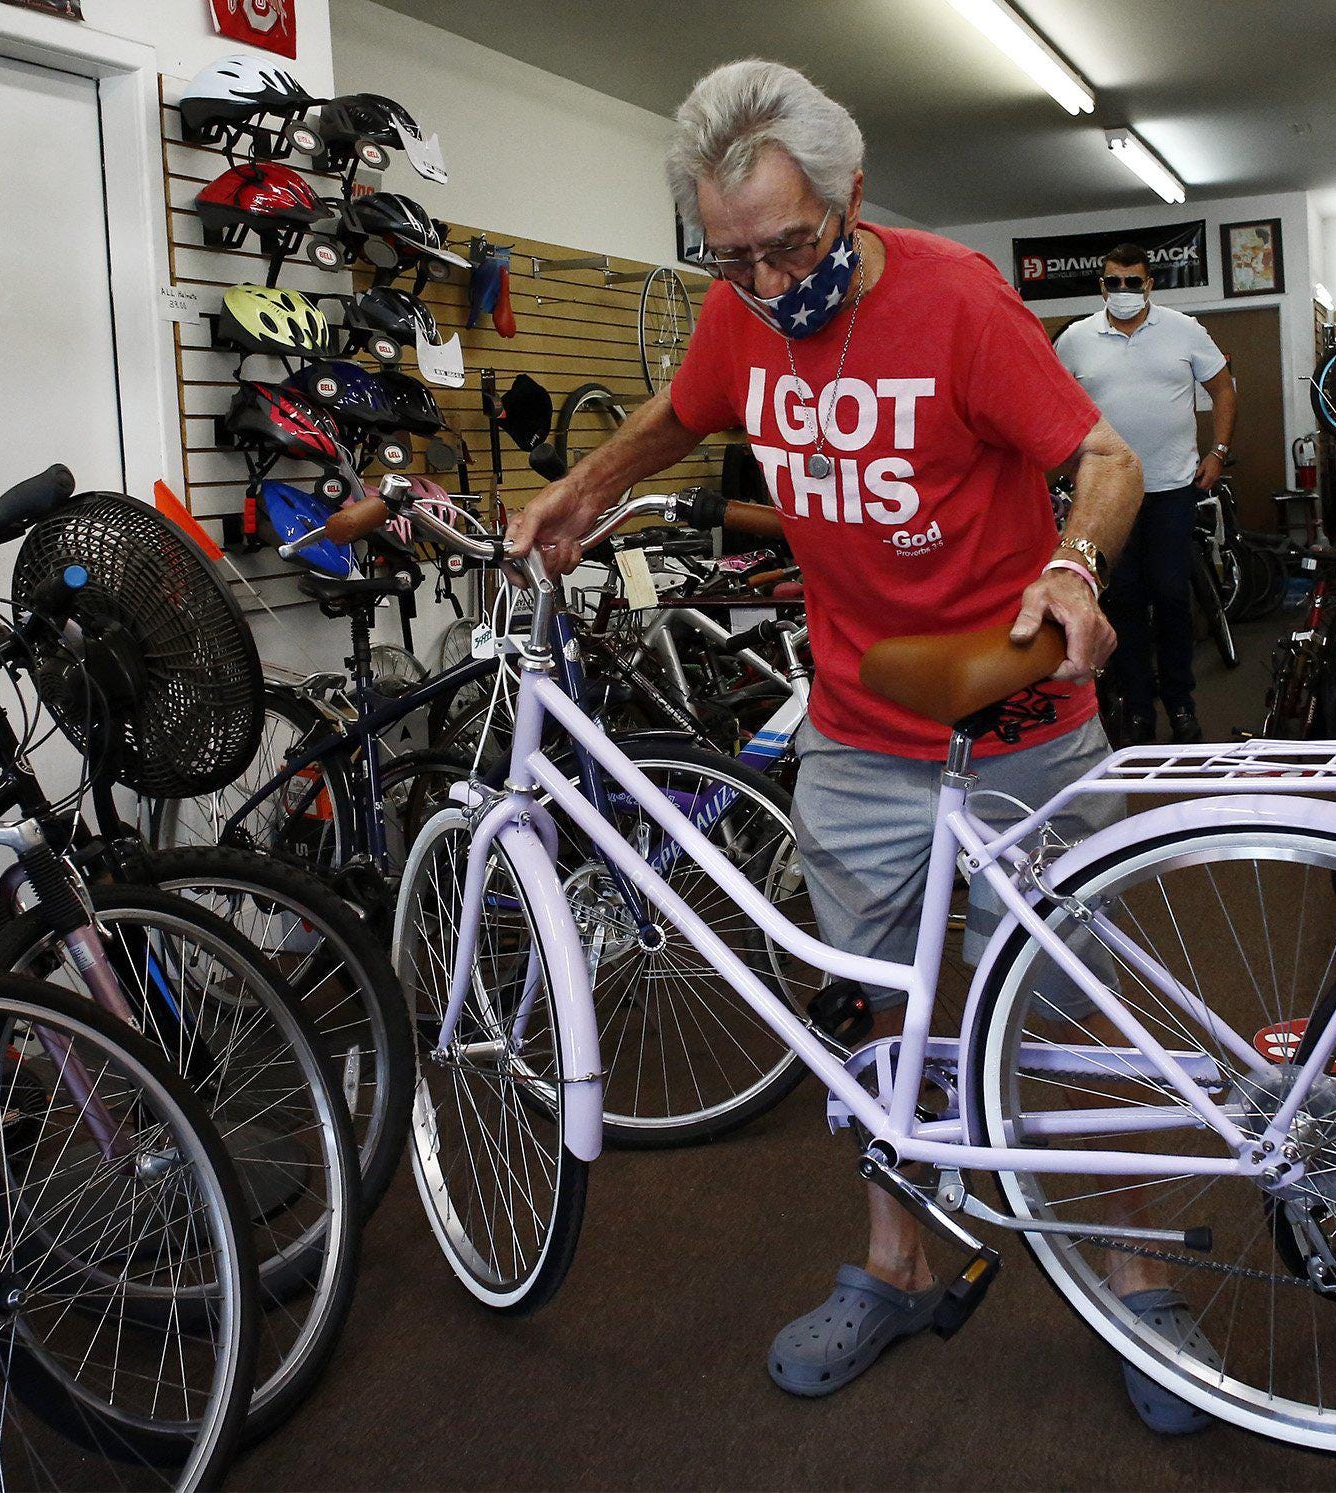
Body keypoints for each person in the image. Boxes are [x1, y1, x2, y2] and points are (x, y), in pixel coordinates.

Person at [507, 61, 1215, 1433]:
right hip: (858, 733)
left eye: (792, 246)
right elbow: (688, 409)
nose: (769, 284)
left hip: (1019, 725)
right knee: (887, 1023)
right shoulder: (739, 315)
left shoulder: (958, 301)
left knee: (1071, 1021)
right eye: (736, 259)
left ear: (852, 192)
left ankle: (1138, 1277)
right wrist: (583, 487)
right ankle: (897, 1262)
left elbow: (1107, 462)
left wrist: (1072, 568)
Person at [1054, 246, 1237, 746]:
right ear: (1102, 287)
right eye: (1115, 282)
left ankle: (1180, 702)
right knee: (1125, 601)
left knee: (1172, 596)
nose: (1125, 292)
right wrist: (1069, 460)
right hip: (1108, 495)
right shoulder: (1076, 340)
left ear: (1150, 285)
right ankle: (1138, 708)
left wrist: (1217, 452)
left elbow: (1224, 389)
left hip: (1172, 488)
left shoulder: (1185, 331)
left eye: (1134, 283)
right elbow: (1049, 401)